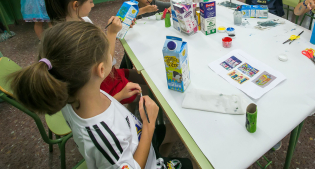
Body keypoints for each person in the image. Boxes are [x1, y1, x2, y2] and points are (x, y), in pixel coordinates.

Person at [8, 21, 192, 169]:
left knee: (175, 131)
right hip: (139, 151)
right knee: (194, 162)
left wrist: (118, 96)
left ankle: (159, 155)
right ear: (101, 69)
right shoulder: (103, 137)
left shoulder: (75, 92)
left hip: (135, 137)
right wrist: (149, 125)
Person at [42, 0, 142, 112]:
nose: (93, 5)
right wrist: (111, 34)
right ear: (75, 5)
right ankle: (132, 117)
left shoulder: (82, 20)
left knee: (144, 77)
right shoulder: (71, 41)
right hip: (102, 89)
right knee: (146, 92)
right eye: (90, 1)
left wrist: (117, 28)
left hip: (108, 78)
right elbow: (104, 67)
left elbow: (99, 52)